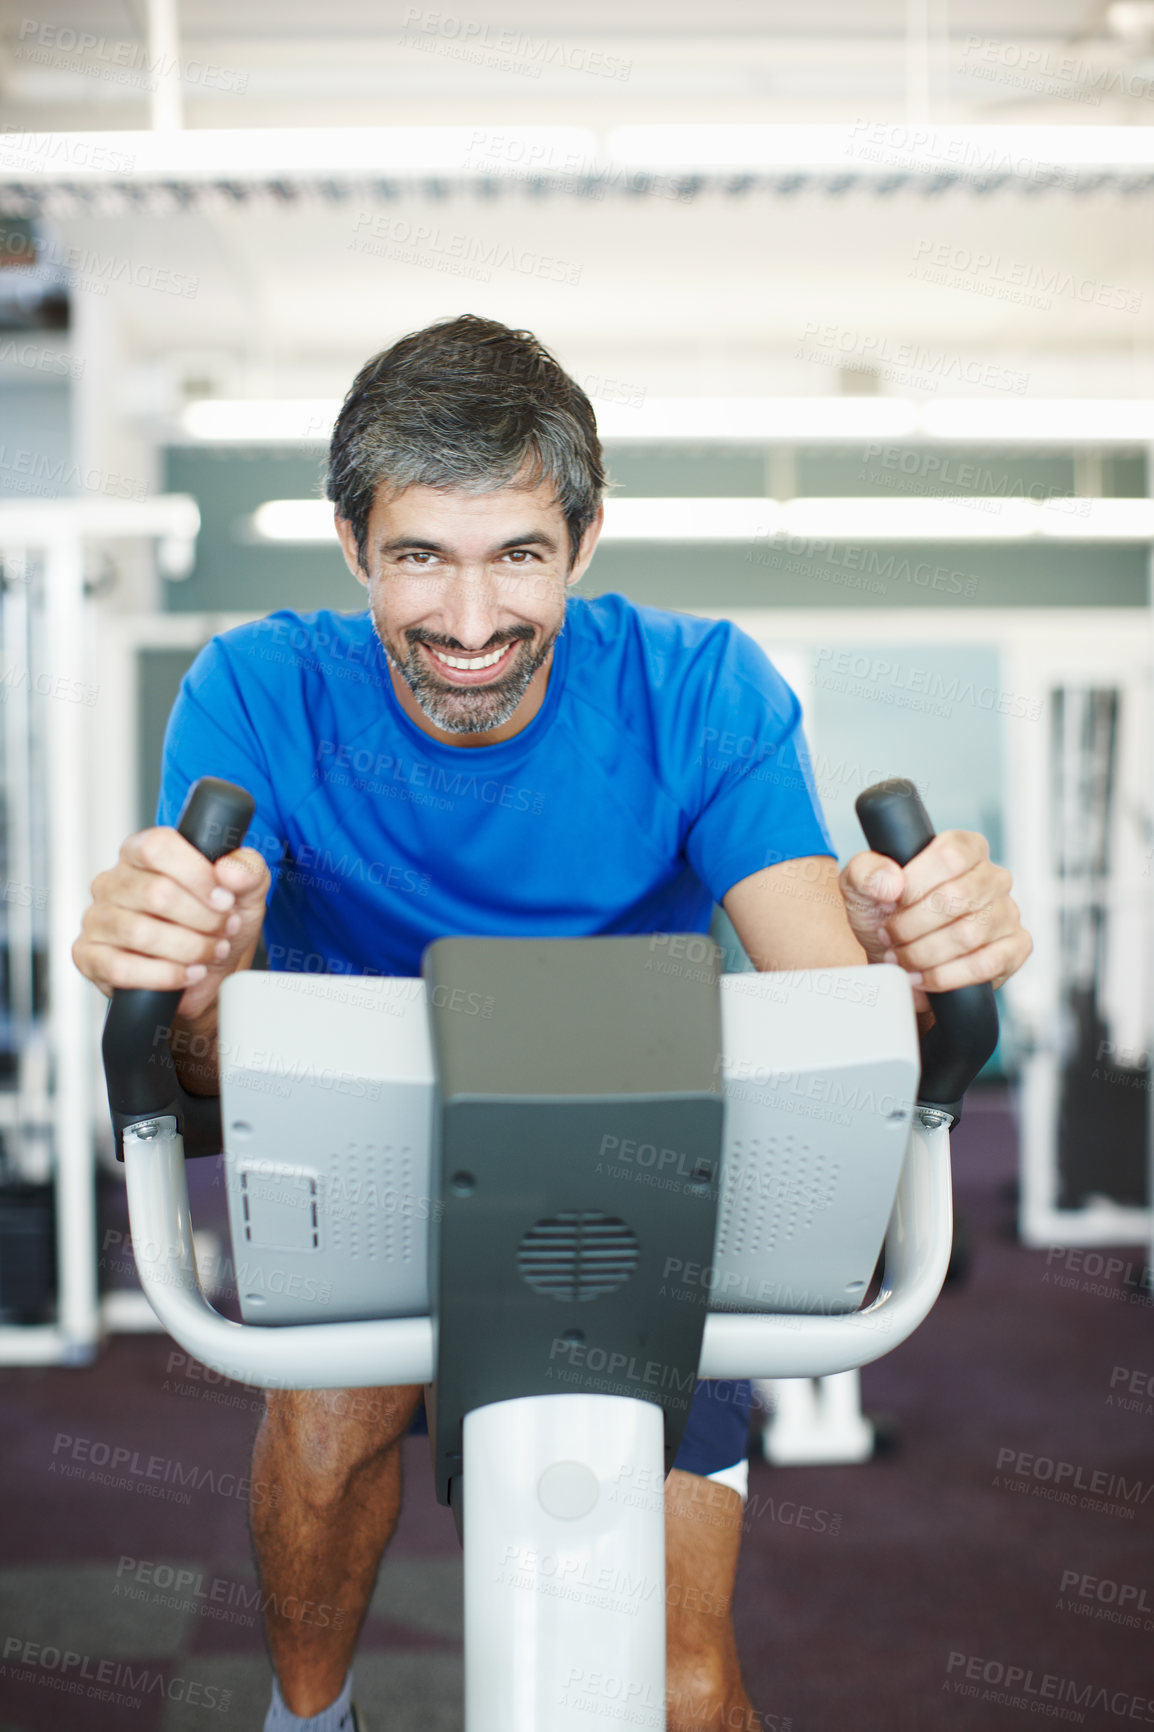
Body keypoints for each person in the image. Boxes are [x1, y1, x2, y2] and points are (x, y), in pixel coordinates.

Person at [74, 313, 1032, 1732]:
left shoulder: (698, 689)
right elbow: (205, 1058)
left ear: (582, 542)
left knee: (681, 1684)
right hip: (362, 1182)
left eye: (515, 553)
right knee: (330, 1425)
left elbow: (833, 1007)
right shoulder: (257, 690)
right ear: (353, 547)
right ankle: (308, 1718)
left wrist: (908, 967)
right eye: (419, 557)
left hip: (632, 1183)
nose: (468, 625)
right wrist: (185, 976)